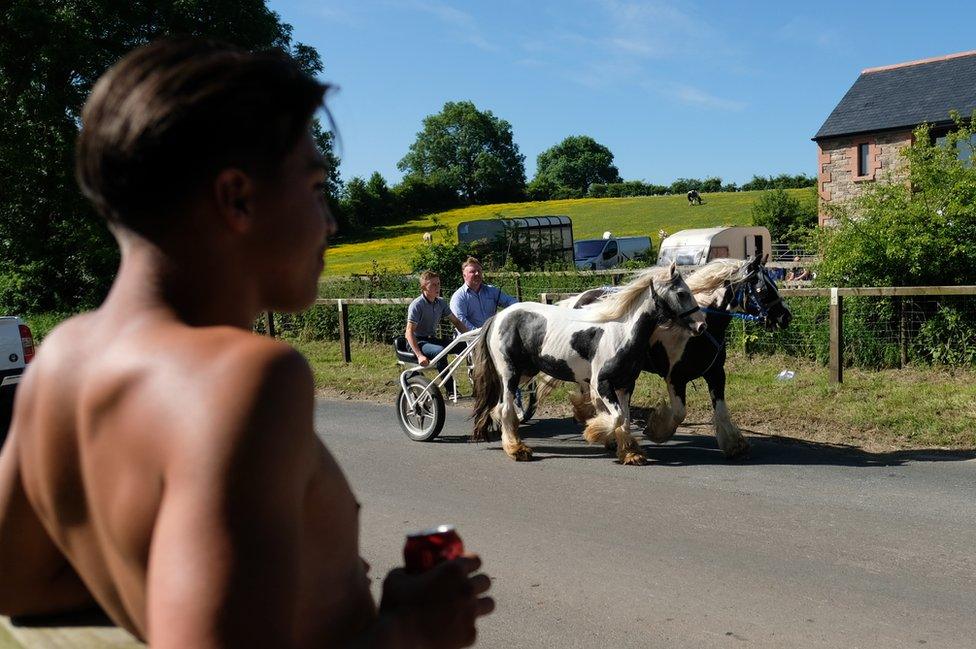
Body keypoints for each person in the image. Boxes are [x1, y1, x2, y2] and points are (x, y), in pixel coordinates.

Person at [0, 39, 492, 648]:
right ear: (237, 198)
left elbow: (19, 586)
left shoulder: (59, 363)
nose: (331, 221)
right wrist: (407, 631)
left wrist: (267, 590)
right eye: (315, 188)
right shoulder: (247, 378)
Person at [406, 270, 467, 392]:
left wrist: (469, 337)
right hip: (418, 342)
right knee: (441, 351)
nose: (437, 287)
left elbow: (456, 322)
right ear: (424, 287)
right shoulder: (417, 305)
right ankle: (451, 390)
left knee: (464, 346)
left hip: (432, 340)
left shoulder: (441, 303)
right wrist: (419, 355)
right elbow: (409, 332)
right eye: (433, 285)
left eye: (438, 284)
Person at [449, 257, 518, 331]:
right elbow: (460, 322)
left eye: (479, 271)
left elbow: (510, 301)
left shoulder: (492, 290)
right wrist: (480, 334)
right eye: (472, 271)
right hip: (469, 340)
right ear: (464, 276)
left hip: (491, 337)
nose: (477, 273)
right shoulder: (459, 297)